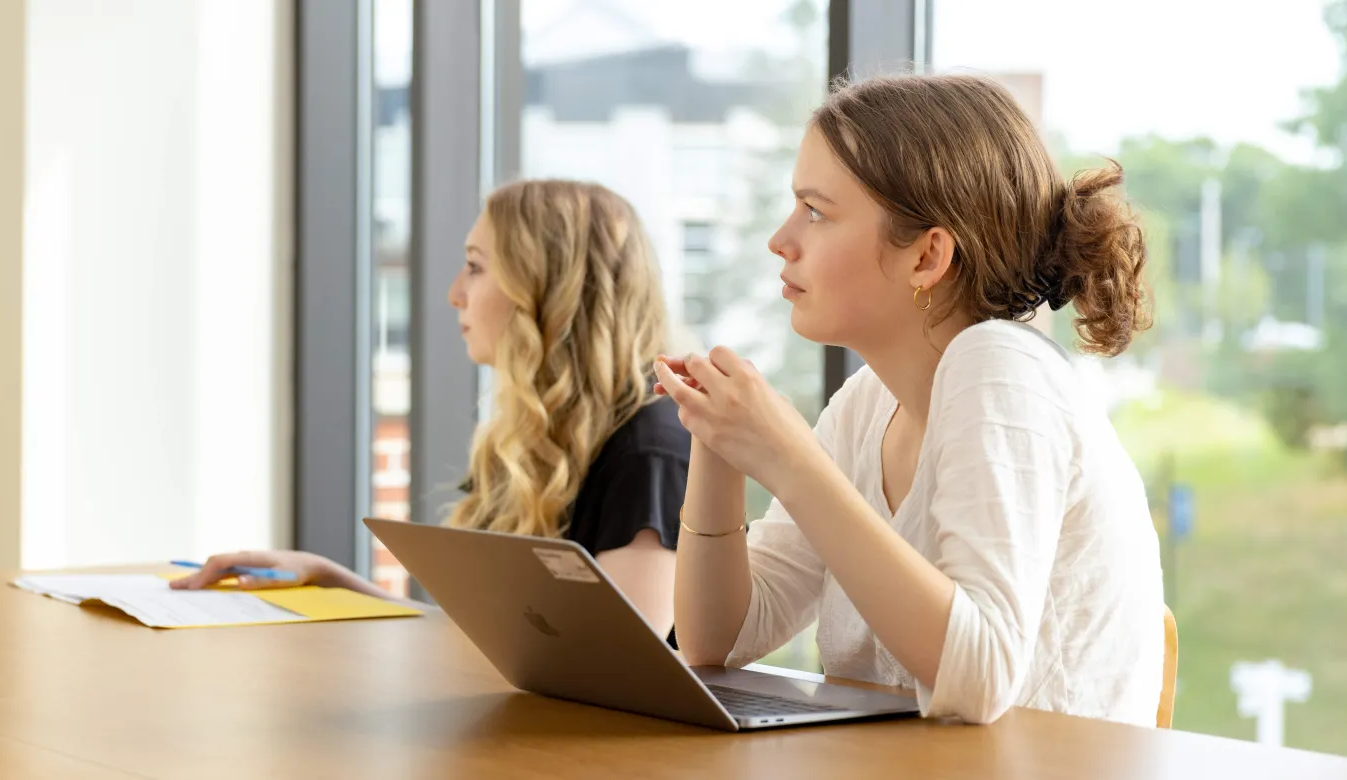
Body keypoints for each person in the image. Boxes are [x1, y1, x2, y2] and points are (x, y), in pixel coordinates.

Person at [657, 73, 1165, 726]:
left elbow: (979, 678)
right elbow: (716, 642)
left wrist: (786, 456)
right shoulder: (867, 404)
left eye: (816, 211)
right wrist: (720, 444)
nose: (781, 239)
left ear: (927, 257)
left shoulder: (1003, 370)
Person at [176, 179, 690, 635]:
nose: (454, 294)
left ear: (546, 285)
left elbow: (618, 664)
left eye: (474, 267)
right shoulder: (535, 440)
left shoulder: (652, 448)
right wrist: (328, 578)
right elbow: (496, 649)